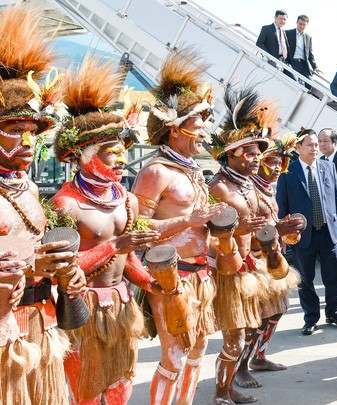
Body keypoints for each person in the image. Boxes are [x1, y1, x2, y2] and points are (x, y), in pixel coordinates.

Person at [50, 58, 169, 404]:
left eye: (122, 152)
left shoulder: (127, 199)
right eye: (111, 153)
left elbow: (128, 257)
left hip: (121, 303)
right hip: (81, 307)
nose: (120, 160)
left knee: (121, 385)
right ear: (86, 156)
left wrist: (147, 280)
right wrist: (115, 245)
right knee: (84, 388)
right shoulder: (65, 204)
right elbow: (65, 270)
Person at [0, 6, 87, 405]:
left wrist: (65, 272)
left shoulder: (30, 188)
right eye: (14, 130)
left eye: (32, 131)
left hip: (42, 323)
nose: (28, 142)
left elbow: (35, 248)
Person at [131, 48, 225, 405]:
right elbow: (137, 229)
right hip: (171, 278)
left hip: (202, 276)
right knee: (173, 356)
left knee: (198, 350)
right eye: (198, 127)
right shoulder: (156, 171)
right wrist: (188, 219)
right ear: (175, 129)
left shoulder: (193, 170)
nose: (204, 135)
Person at [207, 87, 300, 402]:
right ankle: (222, 392)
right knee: (234, 337)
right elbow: (208, 232)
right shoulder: (218, 186)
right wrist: (238, 231)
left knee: (252, 328)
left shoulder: (249, 185)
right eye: (250, 153)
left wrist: (280, 228)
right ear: (231, 152)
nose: (257, 159)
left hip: (255, 269)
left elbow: (261, 225)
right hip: (231, 270)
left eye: (258, 153)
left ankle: (229, 386)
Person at [231, 132, 304, 390]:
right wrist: (278, 231)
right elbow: (243, 232)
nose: (276, 168)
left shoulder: (266, 189)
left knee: (277, 310)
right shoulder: (246, 188)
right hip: (251, 262)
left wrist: (286, 226)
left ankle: (258, 357)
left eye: (281, 163)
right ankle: (239, 368)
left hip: (272, 258)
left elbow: (269, 224)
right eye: (271, 161)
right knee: (252, 319)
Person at [276, 129, 337, 336]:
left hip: (329, 232)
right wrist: (283, 233)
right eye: (310, 144)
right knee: (305, 279)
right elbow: (282, 206)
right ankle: (311, 318)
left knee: (333, 276)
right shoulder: (288, 172)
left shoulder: (329, 167)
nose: (315, 148)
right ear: (298, 148)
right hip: (302, 235)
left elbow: (336, 200)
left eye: (317, 144)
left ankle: (333, 311)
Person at [285, 15, 320, 87]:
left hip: (303, 64)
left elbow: (310, 54)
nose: (302, 26)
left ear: (307, 25)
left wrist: (315, 67)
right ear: (296, 22)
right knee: (294, 81)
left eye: (304, 25)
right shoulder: (288, 33)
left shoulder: (308, 37)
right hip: (292, 62)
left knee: (310, 84)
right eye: (300, 24)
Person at [256, 9, 291, 74]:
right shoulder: (266, 28)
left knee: (293, 80)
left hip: (283, 61)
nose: (283, 21)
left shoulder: (283, 32)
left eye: (284, 19)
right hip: (272, 60)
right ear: (275, 17)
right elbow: (259, 43)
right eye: (280, 18)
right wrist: (268, 56)